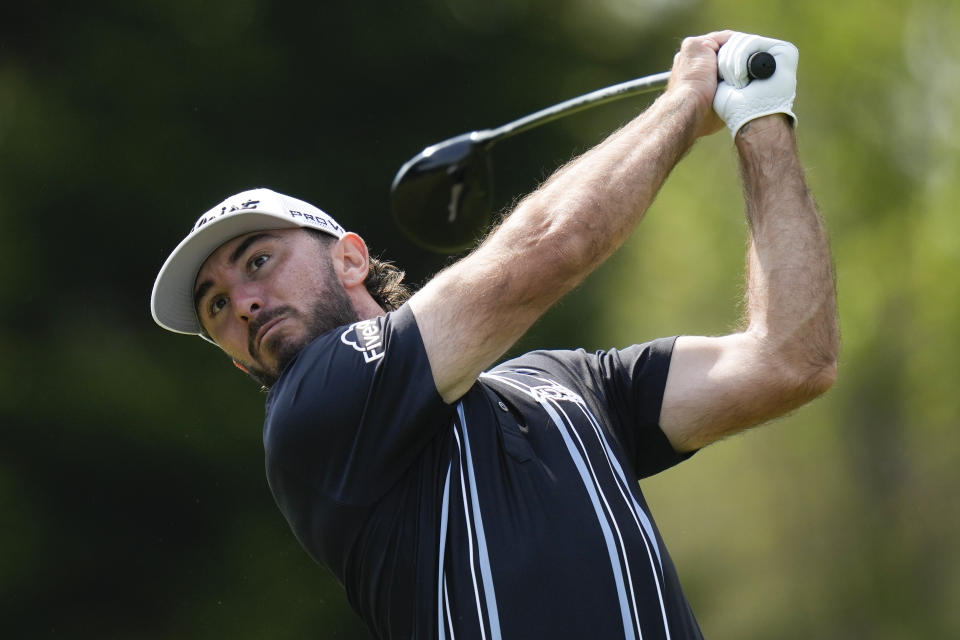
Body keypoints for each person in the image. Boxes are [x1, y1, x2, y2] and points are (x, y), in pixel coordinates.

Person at [151, 31, 838, 640]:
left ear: (350, 259)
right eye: (215, 306)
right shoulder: (313, 415)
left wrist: (761, 117)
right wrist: (685, 102)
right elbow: (550, 247)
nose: (240, 303)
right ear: (239, 364)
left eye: (258, 262)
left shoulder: (567, 385)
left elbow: (791, 360)